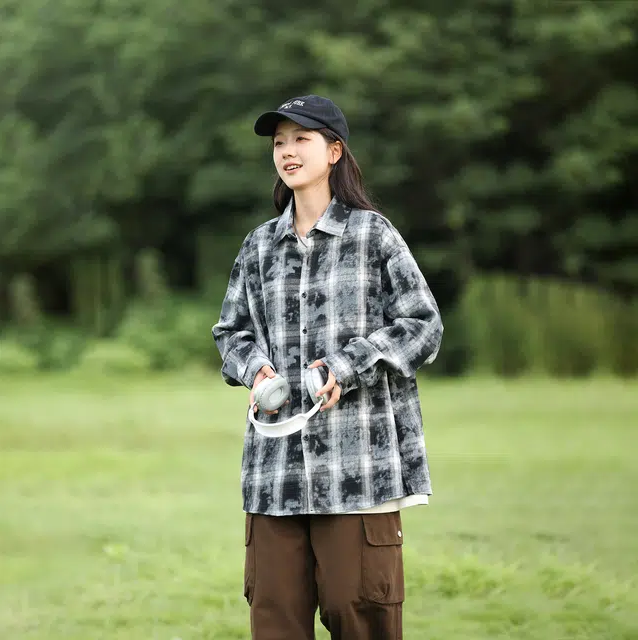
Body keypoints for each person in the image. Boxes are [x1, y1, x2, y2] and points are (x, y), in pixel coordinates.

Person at [212, 95, 443, 640]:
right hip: (274, 477)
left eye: (302, 139)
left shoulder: (373, 235)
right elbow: (231, 332)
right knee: (276, 623)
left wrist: (348, 365)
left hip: (358, 470)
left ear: (334, 151)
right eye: (279, 143)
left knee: (359, 617)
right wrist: (256, 370)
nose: (287, 152)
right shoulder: (259, 246)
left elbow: (423, 324)